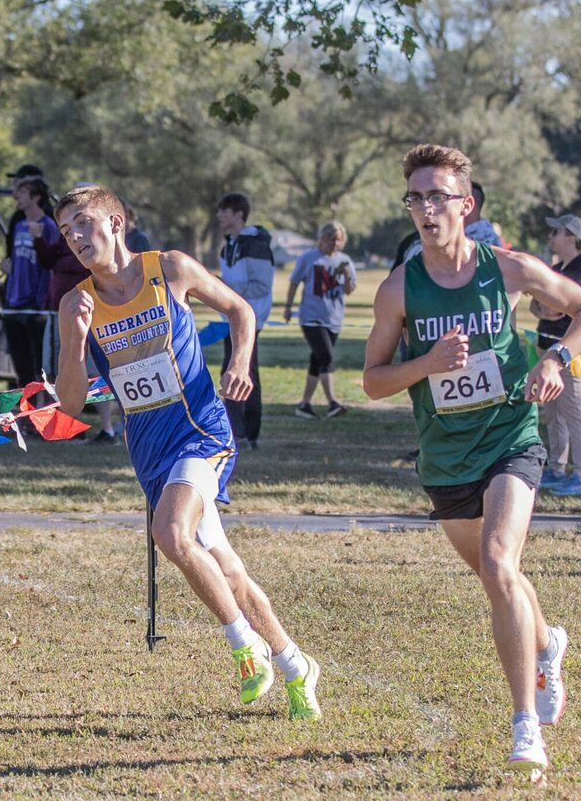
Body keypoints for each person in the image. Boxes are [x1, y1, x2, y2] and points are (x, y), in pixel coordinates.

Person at [363, 144, 581, 773]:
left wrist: (556, 358)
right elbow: (372, 380)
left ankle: (526, 725)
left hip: (510, 437)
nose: (425, 208)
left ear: (465, 205)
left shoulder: (509, 269)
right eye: (415, 197)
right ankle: (548, 640)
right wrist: (426, 364)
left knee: (500, 564)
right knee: (498, 578)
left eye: (437, 195)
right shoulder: (399, 290)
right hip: (445, 456)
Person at [55, 185, 320, 719]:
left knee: (171, 533)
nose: (77, 238)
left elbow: (241, 310)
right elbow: (71, 402)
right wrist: (75, 341)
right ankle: (294, 663)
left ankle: (246, 649)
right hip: (149, 449)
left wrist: (240, 363)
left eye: (84, 223)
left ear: (115, 222)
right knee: (228, 571)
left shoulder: (170, 269)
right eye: (66, 232)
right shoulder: (75, 303)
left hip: (201, 429)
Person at [531, 214, 581, 497]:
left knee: (573, 412)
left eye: (556, 231)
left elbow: (553, 309)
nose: (551, 236)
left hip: (570, 351)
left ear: (571, 237)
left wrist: (546, 305)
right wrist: (545, 306)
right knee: (553, 412)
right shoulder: (557, 268)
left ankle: (580, 476)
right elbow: (539, 307)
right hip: (546, 347)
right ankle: (557, 469)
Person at [216, 192, 275, 451]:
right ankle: (235, 429)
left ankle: (248, 433)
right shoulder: (227, 245)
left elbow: (261, 285)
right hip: (230, 317)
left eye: (224, 211)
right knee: (231, 371)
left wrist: (226, 290)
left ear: (239, 214)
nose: (219, 216)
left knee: (244, 372)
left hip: (250, 318)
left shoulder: (256, 244)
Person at [283, 220, 357, 418]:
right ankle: (332, 402)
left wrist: (347, 275)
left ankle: (304, 404)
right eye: (331, 239)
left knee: (317, 361)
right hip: (311, 317)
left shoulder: (345, 261)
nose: (334, 243)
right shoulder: (309, 258)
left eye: (338, 240)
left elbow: (349, 290)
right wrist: (288, 307)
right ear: (322, 239)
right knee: (326, 357)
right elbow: (294, 282)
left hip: (333, 318)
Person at [3, 177, 59, 395]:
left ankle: (42, 412)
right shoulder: (18, 226)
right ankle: (25, 418)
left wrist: (41, 301)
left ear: (36, 197)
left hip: (35, 307)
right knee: (21, 367)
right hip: (13, 304)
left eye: (23, 192)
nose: (17, 197)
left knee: (40, 367)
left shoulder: (49, 227)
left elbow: (49, 266)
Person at [398, 181, 501, 264]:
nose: (427, 208)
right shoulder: (411, 242)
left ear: (467, 205)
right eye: (415, 200)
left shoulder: (485, 243)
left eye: (438, 198)